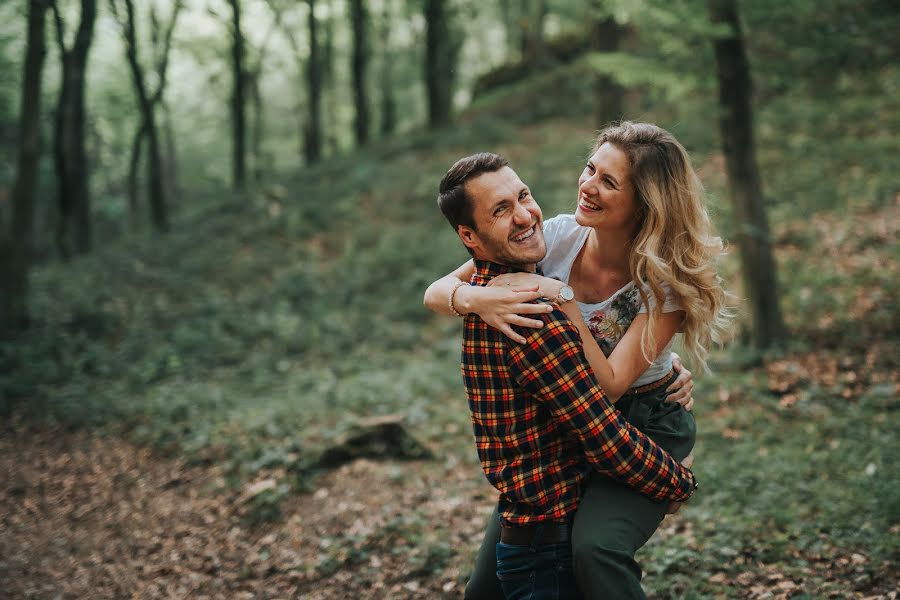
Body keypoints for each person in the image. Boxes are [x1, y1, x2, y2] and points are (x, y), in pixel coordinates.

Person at [424, 122, 732, 599]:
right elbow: (436, 291)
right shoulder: (559, 236)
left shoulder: (662, 283)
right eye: (591, 169)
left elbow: (608, 386)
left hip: (640, 424)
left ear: (646, 202)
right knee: (487, 586)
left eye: (608, 182)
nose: (586, 186)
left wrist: (559, 296)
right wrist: (477, 298)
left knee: (595, 551)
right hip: (563, 427)